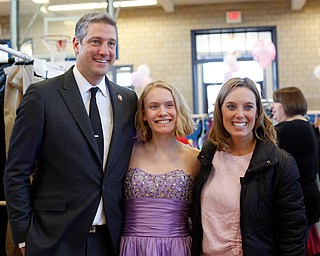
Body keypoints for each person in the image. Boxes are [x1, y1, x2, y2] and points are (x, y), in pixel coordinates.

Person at [3, 11, 137, 256]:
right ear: (76, 44)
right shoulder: (42, 96)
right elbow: (16, 172)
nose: (104, 51)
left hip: (111, 240)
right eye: (95, 41)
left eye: (111, 43)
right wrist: (23, 237)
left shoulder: (127, 100)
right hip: (54, 240)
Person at [192, 77, 307, 255]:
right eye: (231, 106)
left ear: (258, 112)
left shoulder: (279, 163)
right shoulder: (207, 156)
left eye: (248, 107)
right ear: (220, 111)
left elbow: (292, 232)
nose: (240, 114)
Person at [119, 80, 200, 256]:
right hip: (133, 248)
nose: (162, 112)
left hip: (177, 249)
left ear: (178, 110)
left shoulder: (195, 158)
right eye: (154, 106)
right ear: (144, 114)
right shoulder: (126, 153)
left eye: (169, 105)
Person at [272, 86, 320, 240]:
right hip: (307, 199)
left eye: (276, 102)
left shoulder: (288, 129)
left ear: (287, 103)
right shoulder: (305, 125)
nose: (273, 107)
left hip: (297, 202)